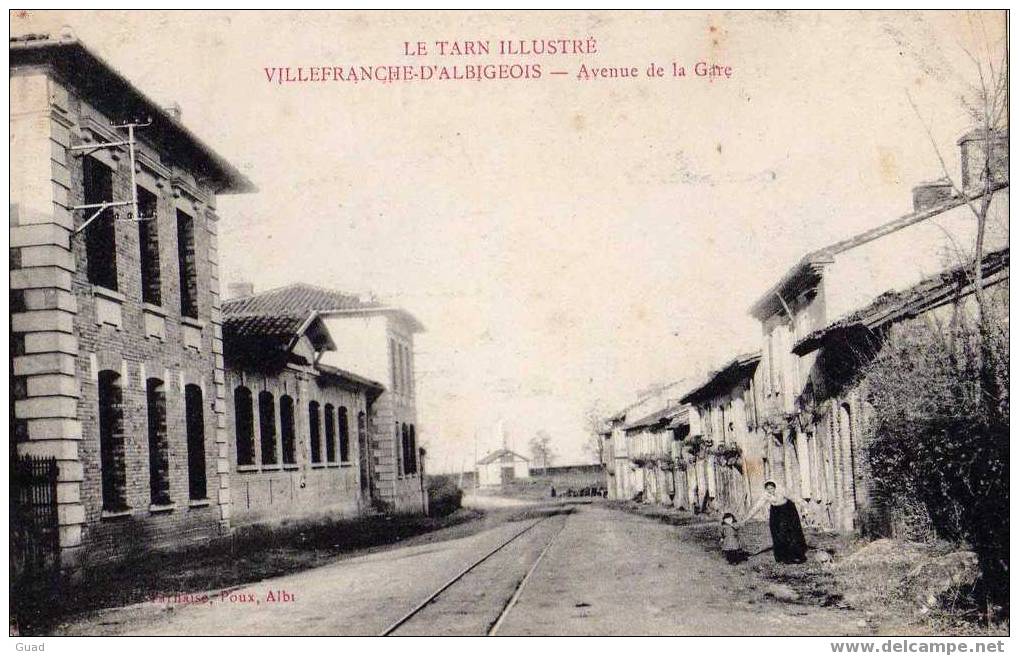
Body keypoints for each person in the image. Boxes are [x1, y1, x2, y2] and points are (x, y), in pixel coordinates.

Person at [741, 480, 808, 564]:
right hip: (776, 512)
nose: (770, 491)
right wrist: (746, 519)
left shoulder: (782, 491)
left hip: (788, 510)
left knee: (791, 532)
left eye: (772, 488)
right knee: (777, 532)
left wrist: (805, 506)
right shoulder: (765, 496)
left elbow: (794, 497)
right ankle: (782, 556)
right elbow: (756, 507)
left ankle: (796, 554)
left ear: (775, 487)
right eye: (768, 489)